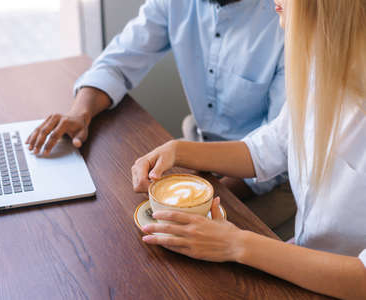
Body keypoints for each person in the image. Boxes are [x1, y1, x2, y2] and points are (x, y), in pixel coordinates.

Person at [131, 0, 366, 298]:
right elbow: (269, 147)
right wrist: (178, 151)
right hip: (304, 269)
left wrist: (236, 244)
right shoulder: (325, 70)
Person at [25, 0, 287, 203]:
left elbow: (276, 152)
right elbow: (117, 62)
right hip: (200, 156)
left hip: (267, 182)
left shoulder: (286, 18)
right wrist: (80, 113)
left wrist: (195, 200)